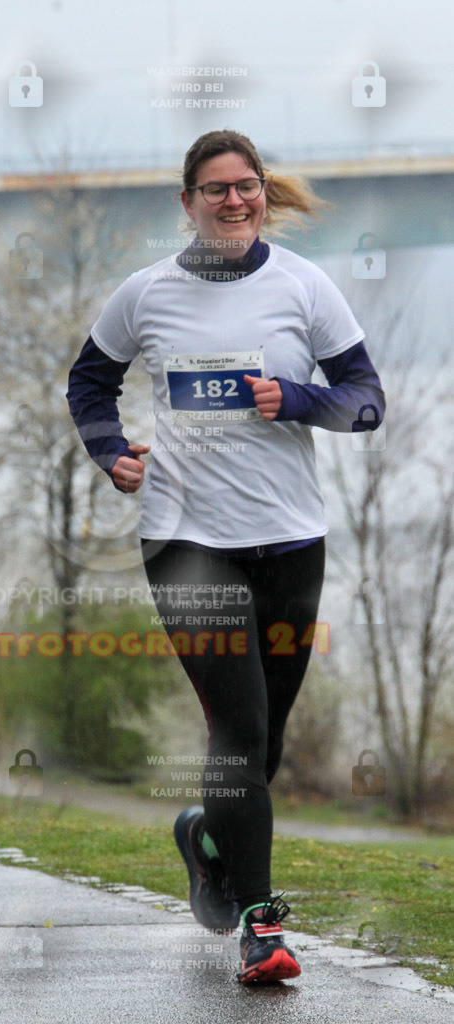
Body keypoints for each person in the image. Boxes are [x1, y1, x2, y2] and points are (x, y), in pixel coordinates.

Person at [66, 128, 385, 984]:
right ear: (187, 202)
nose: (234, 201)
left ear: (261, 193)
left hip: (288, 540)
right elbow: (87, 383)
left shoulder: (304, 287)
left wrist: (300, 400)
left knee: (263, 741)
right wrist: (111, 450)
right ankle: (262, 926)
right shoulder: (145, 294)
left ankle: (205, 838)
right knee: (236, 729)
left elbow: (366, 404)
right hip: (183, 541)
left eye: (246, 186)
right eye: (215, 190)